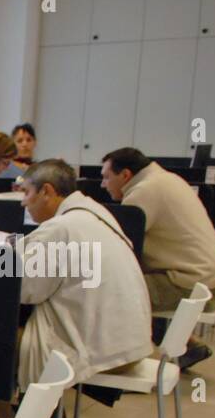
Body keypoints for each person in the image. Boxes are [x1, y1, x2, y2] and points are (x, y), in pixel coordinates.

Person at [14, 159, 151, 393]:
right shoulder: (94, 214)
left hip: (103, 354)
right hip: (131, 345)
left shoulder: (61, 227)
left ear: (46, 191)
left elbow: (27, 291)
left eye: (27, 192)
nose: (24, 202)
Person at [101, 146, 215, 368]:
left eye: (106, 177)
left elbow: (118, 249)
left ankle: (122, 366)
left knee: (114, 292)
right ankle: (186, 345)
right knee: (138, 281)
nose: (103, 184)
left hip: (186, 282)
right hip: (208, 279)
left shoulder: (143, 193)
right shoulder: (168, 180)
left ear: (125, 175)